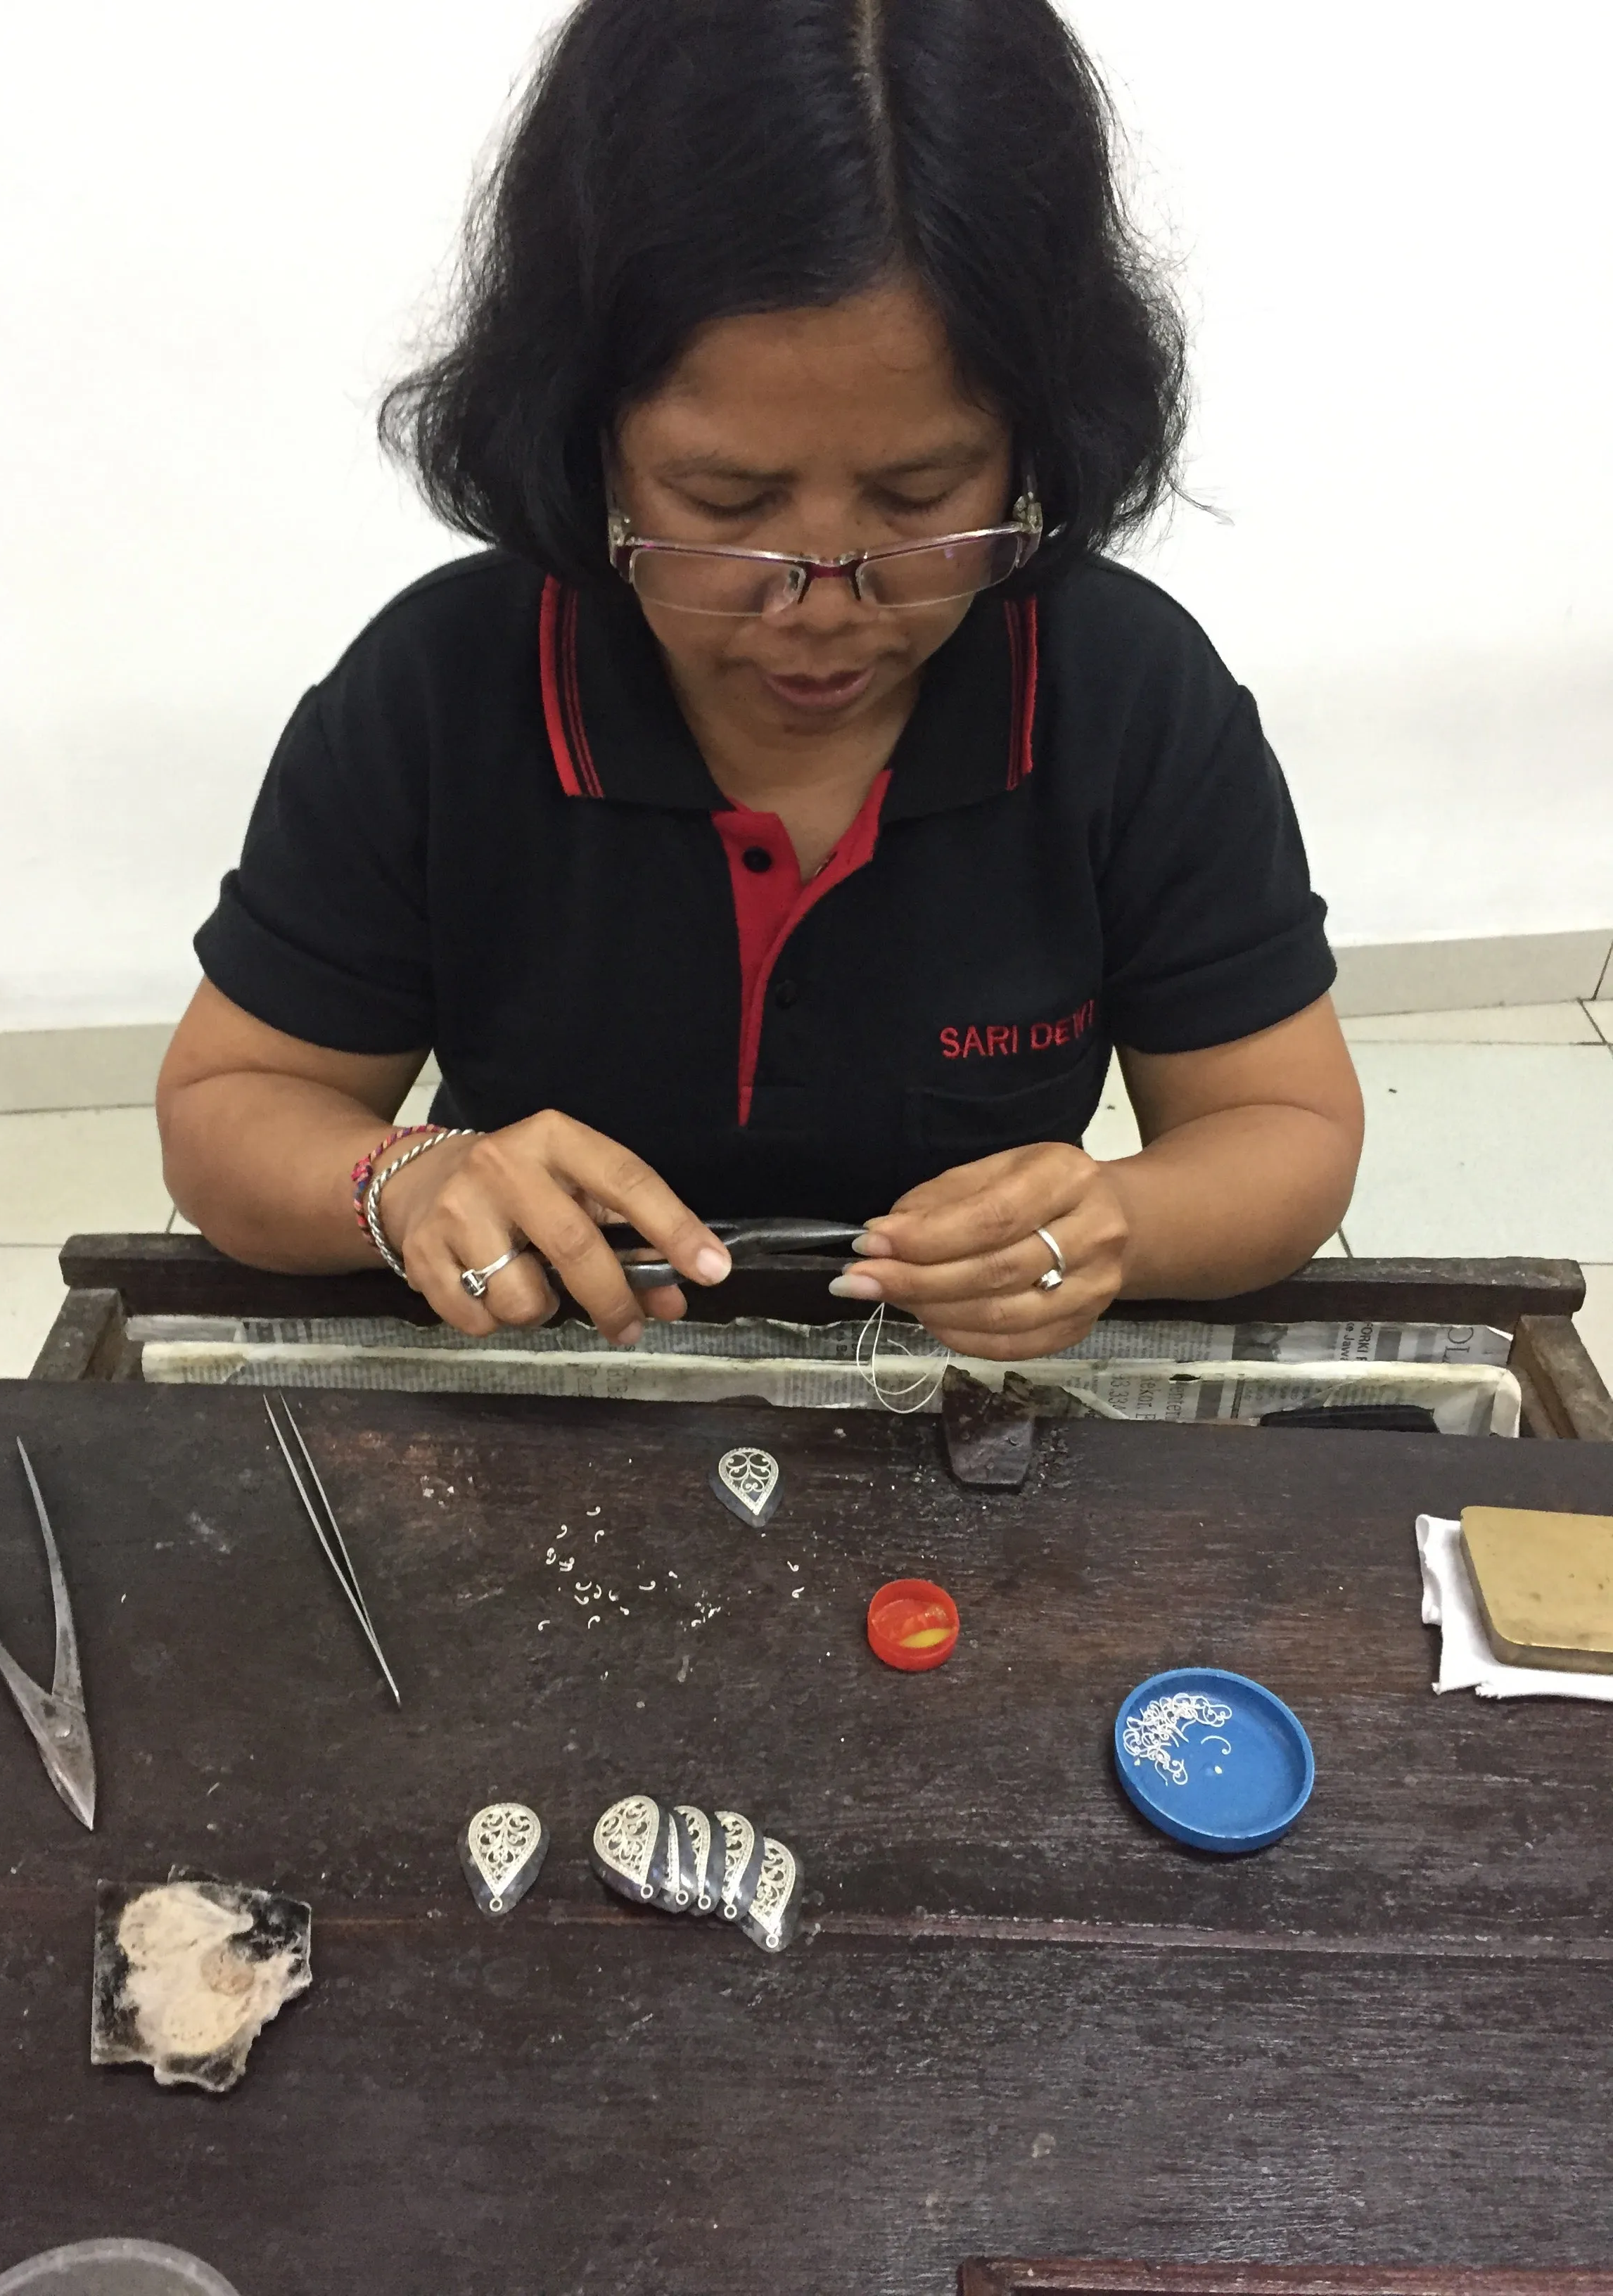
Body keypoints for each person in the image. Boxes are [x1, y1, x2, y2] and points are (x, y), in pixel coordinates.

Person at [157, 0, 1363, 1364]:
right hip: (554, 1395)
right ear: (588, 436)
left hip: (970, 1414)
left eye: (921, 496)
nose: (825, 604)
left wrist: (1115, 1222)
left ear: (1038, 439)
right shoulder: (444, 695)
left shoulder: (1121, 696)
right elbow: (231, 1107)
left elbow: (1289, 1130)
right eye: (726, 501)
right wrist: (406, 1179)